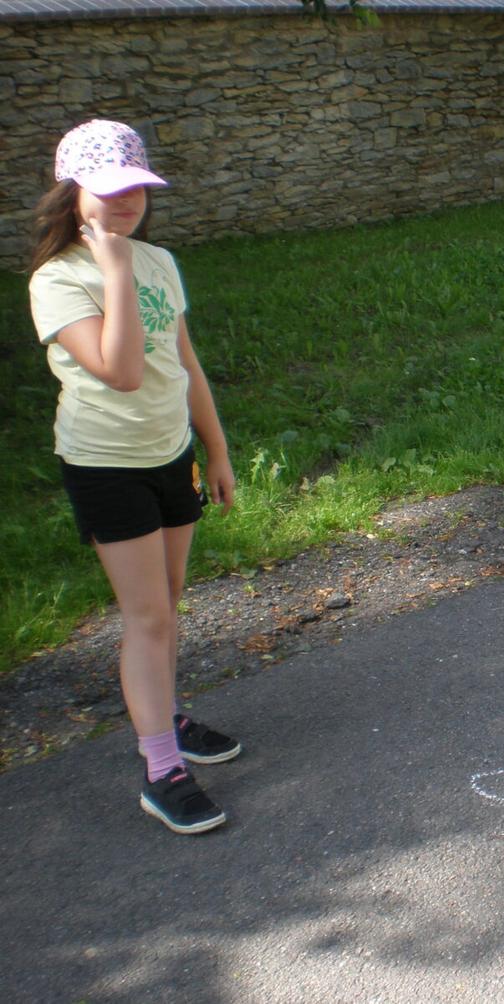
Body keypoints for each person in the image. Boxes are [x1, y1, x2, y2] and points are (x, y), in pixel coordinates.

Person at [28, 120, 239, 835]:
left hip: (168, 453)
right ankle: (161, 770)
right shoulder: (59, 280)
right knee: (147, 617)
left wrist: (215, 450)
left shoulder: (159, 261)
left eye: (136, 192)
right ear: (73, 192)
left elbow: (184, 364)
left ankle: (165, 717)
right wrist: (113, 270)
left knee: (168, 602)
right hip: (105, 464)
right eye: (108, 191)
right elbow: (119, 372)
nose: (125, 205)